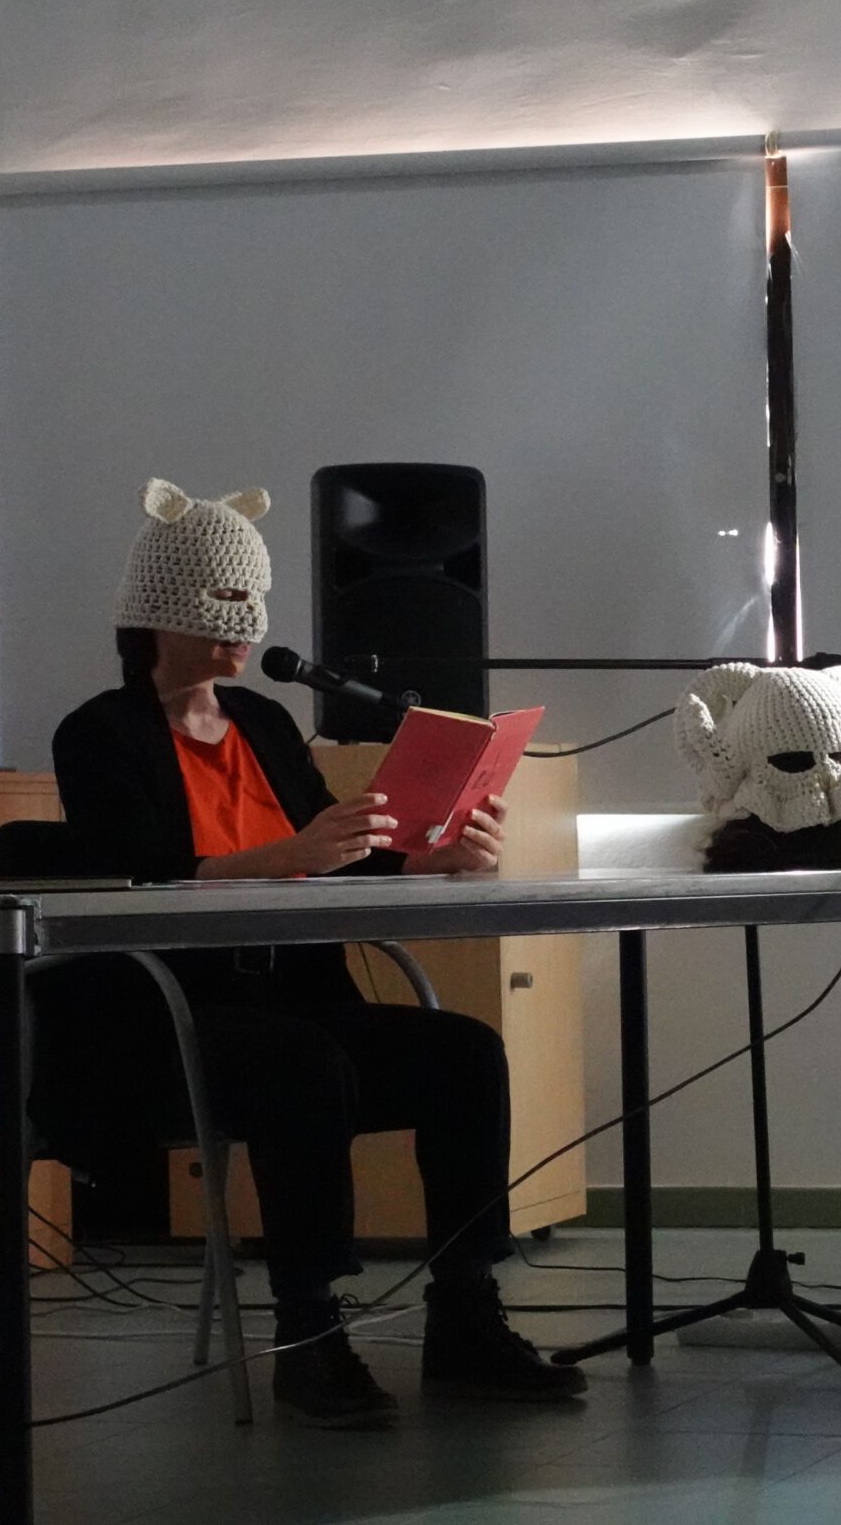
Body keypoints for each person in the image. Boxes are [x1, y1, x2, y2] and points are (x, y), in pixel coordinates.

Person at [34, 477, 586, 1427]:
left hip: (300, 993)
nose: (247, 625)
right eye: (226, 601)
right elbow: (134, 875)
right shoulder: (98, 734)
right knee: (303, 1064)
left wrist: (429, 858)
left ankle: (465, 1314)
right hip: (173, 1014)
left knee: (463, 1054)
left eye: (256, 599)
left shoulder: (264, 722)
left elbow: (335, 855)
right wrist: (287, 854)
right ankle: (308, 1330)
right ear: (161, 611)